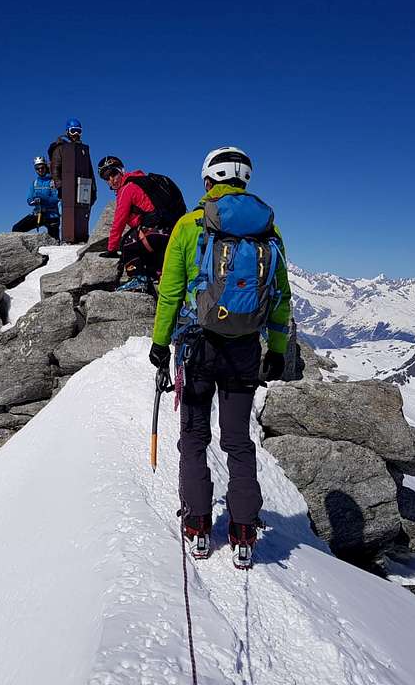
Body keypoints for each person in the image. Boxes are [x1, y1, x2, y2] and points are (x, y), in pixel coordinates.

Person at [149, 146, 292, 570]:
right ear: (244, 181)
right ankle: (244, 530)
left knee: (194, 437)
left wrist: (160, 343)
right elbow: (280, 297)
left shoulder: (190, 225)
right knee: (237, 440)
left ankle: (196, 525)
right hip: (245, 347)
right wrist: (278, 350)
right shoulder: (269, 230)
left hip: (196, 345)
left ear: (207, 180)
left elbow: (172, 292)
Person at [97, 155, 185, 293]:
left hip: (156, 232)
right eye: (106, 178)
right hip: (169, 231)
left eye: (113, 174)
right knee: (143, 242)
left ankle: (137, 279)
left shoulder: (127, 189)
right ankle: (157, 274)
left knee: (128, 242)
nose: (111, 180)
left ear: (121, 171)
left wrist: (112, 249)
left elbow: (118, 222)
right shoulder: (141, 182)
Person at [47, 118, 95, 244]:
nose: (76, 134)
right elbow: (55, 168)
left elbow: (90, 170)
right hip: (66, 189)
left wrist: (93, 188)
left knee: (82, 211)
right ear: (68, 131)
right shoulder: (60, 148)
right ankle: (67, 238)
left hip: (81, 187)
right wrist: (60, 186)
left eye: (78, 131)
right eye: (73, 131)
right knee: (66, 213)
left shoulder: (83, 150)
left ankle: (81, 236)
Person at [12, 156, 60, 240]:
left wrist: (42, 198)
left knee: (54, 241)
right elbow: (29, 199)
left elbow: (56, 199)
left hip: (52, 216)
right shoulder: (35, 183)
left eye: (42, 167)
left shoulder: (53, 182)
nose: (40, 170)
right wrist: (33, 201)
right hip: (38, 214)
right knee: (16, 229)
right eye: (37, 168)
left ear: (46, 167)